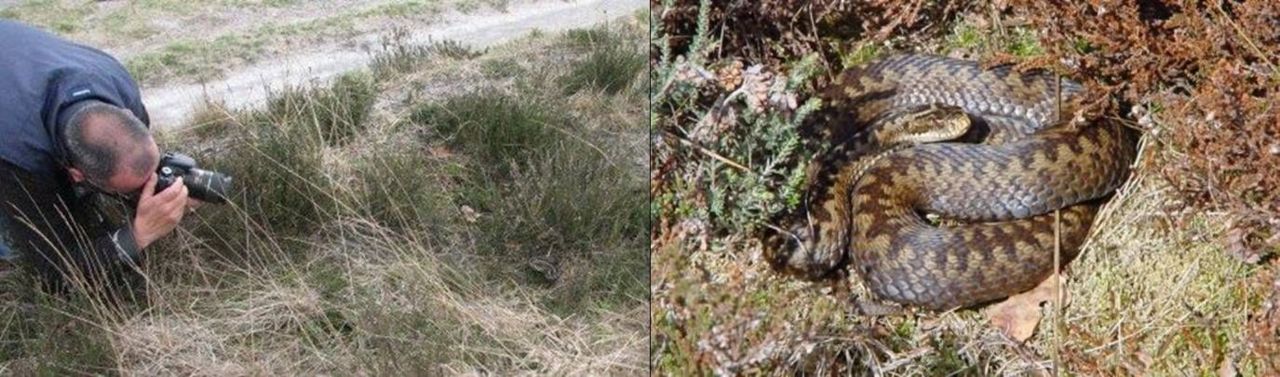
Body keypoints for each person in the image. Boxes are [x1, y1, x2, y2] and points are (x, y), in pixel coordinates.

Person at [0, 20, 196, 291]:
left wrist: (166, 189)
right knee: (16, 239)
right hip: (10, 123)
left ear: (129, 115)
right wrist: (138, 236)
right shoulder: (18, 156)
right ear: (76, 174)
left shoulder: (117, 84)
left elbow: (127, 156)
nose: (149, 182)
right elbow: (57, 273)